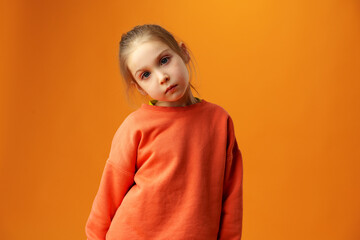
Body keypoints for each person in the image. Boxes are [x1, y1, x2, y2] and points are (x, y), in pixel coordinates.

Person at [85, 24, 243, 240]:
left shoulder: (219, 121)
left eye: (164, 60)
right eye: (146, 75)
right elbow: (108, 197)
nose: (162, 77)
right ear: (139, 87)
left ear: (183, 53)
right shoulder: (136, 127)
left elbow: (231, 197)